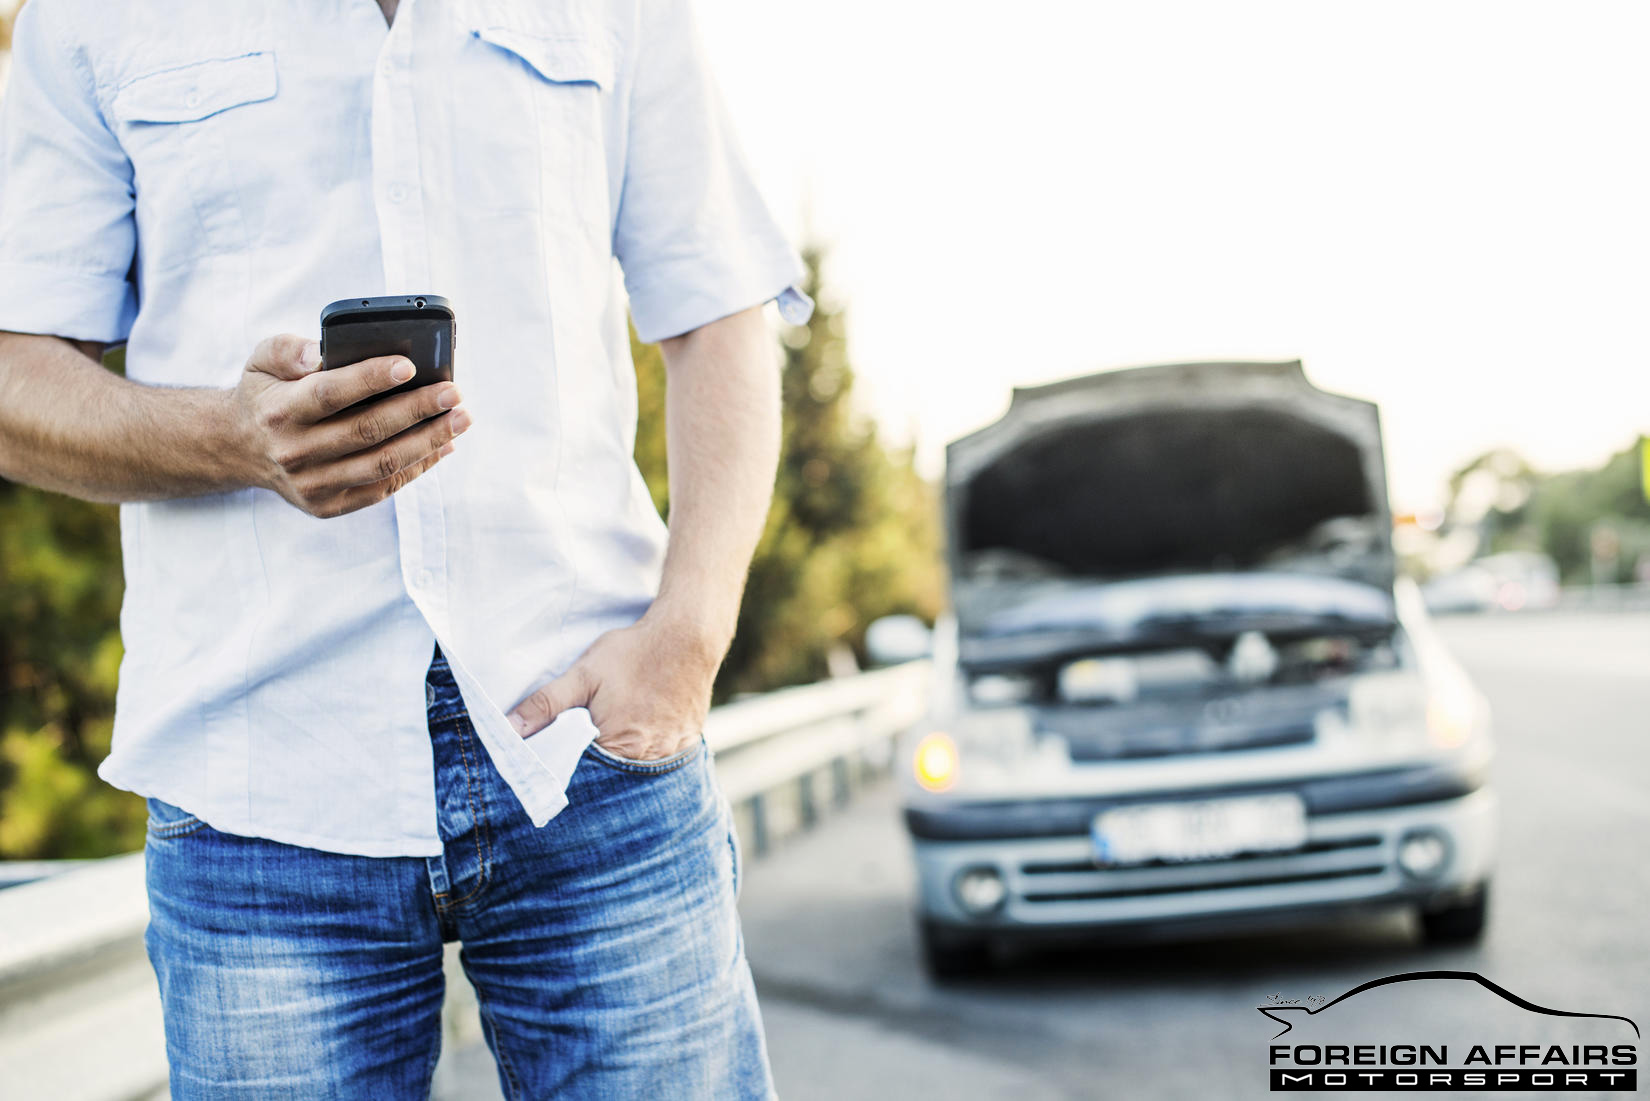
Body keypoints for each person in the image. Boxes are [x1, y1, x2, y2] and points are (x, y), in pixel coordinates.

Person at [0, 0, 810, 1096]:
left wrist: (689, 640)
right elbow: (12, 374)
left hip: (592, 753)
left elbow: (719, 310)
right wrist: (229, 439)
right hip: (256, 787)